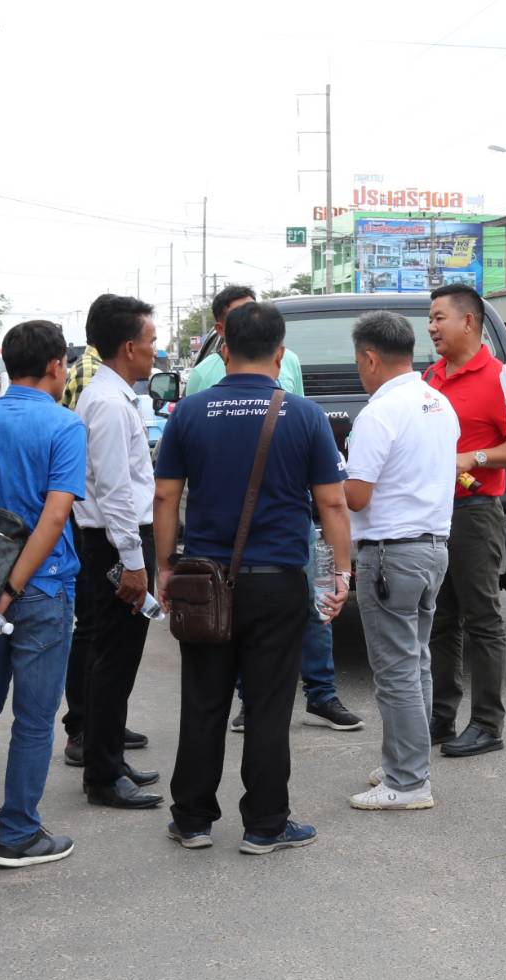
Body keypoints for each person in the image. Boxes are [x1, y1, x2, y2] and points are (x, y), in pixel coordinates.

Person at [153, 301, 351, 854]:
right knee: (268, 705)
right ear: (281, 354)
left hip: (204, 583)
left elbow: (165, 496)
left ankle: (192, 819)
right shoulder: (305, 415)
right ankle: (265, 824)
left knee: (203, 701)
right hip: (278, 581)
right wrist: (341, 571)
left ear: (224, 349)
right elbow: (333, 503)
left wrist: (165, 567)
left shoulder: (189, 413)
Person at [0, 319, 87, 869]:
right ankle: (20, 833)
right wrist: (11, 588)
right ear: (55, 365)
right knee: (33, 717)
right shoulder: (65, 425)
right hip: (42, 589)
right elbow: (54, 517)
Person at [190, 285, 360, 734]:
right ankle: (250, 699)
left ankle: (321, 693)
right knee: (232, 613)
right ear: (222, 331)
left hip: (289, 513)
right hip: (229, 525)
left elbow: (299, 420)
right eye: (242, 315)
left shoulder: (292, 365)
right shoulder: (203, 375)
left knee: (315, 603)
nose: (254, 321)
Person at [344, 312, 457, 811]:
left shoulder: (379, 413)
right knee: (416, 662)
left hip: (392, 554)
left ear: (370, 358)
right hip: (433, 548)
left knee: (396, 671)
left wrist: (330, 476)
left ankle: (408, 782)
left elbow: (357, 496)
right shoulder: (439, 402)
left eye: (359, 362)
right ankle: (405, 762)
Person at [65, 295, 163, 811]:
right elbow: (114, 490)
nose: (155, 352)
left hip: (118, 539)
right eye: (151, 342)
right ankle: (102, 774)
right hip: (114, 541)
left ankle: (111, 758)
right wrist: (133, 562)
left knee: (118, 658)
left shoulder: (114, 396)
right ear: (128, 347)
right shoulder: (106, 402)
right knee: (112, 658)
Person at [422, 284, 506, 757]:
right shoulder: (430, 377)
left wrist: (473, 457)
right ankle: (441, 718)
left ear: (469, 321)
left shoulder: (500, 376)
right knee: (441, 619)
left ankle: (486, 724)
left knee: (482, 619)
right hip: (435, 513)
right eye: (430, 319)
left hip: (476, 511)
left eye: (439, 318)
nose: (432, 327)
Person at [186, 284, 304, 396]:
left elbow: (298, 403)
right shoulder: (201, 373)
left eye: (252, 311)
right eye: (238, 316)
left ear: (279, 355)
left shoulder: (290, 360)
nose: (249, 319)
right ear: (220, 329)